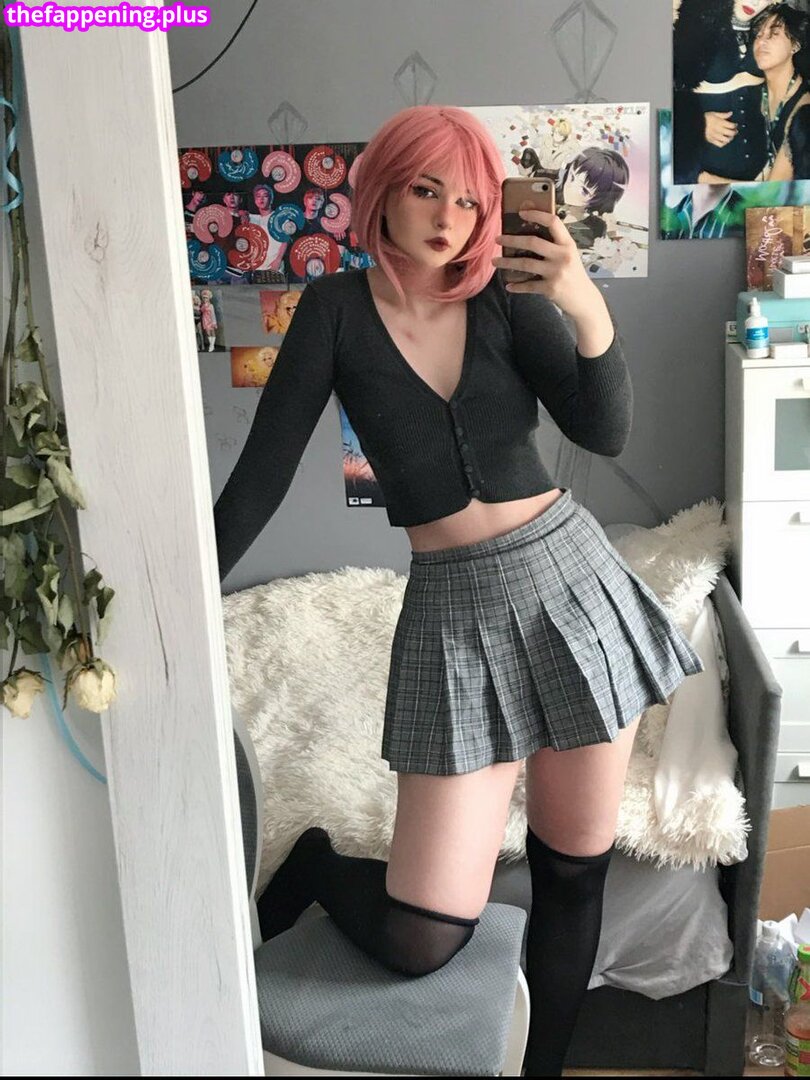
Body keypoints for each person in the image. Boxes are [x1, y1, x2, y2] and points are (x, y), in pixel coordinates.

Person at [213, 104, 704, 1078]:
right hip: (453, 611)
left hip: (569, 587)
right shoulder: (334, 312)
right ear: (383, 193)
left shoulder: (507, 298)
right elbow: (260, 478)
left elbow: (601, 430)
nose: (449, 216)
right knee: (422, 936)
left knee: (572, 872)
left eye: (470, 198)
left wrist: (582, 302)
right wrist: (176, 606)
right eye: (426, 189)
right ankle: (317, 864)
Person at [698, 4, 810, 183]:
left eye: (774, 34)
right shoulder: (758, 88)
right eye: (759, 35)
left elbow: (774, 188)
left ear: (795, 45)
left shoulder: (803, 109)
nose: (762, 42)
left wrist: (703, 180)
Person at [673, 0, 772, 184]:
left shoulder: (772, 29)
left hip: (762, 176)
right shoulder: (695, 25)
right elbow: (663, 91)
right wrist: (696, 123)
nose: (755, 2)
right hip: (705, 176)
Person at [553, 147, 629, 251]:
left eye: (584, 190)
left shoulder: (591, 229)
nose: (571, 187)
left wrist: (611, 233)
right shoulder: (558, 205)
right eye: (572, 177)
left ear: (601, 199)